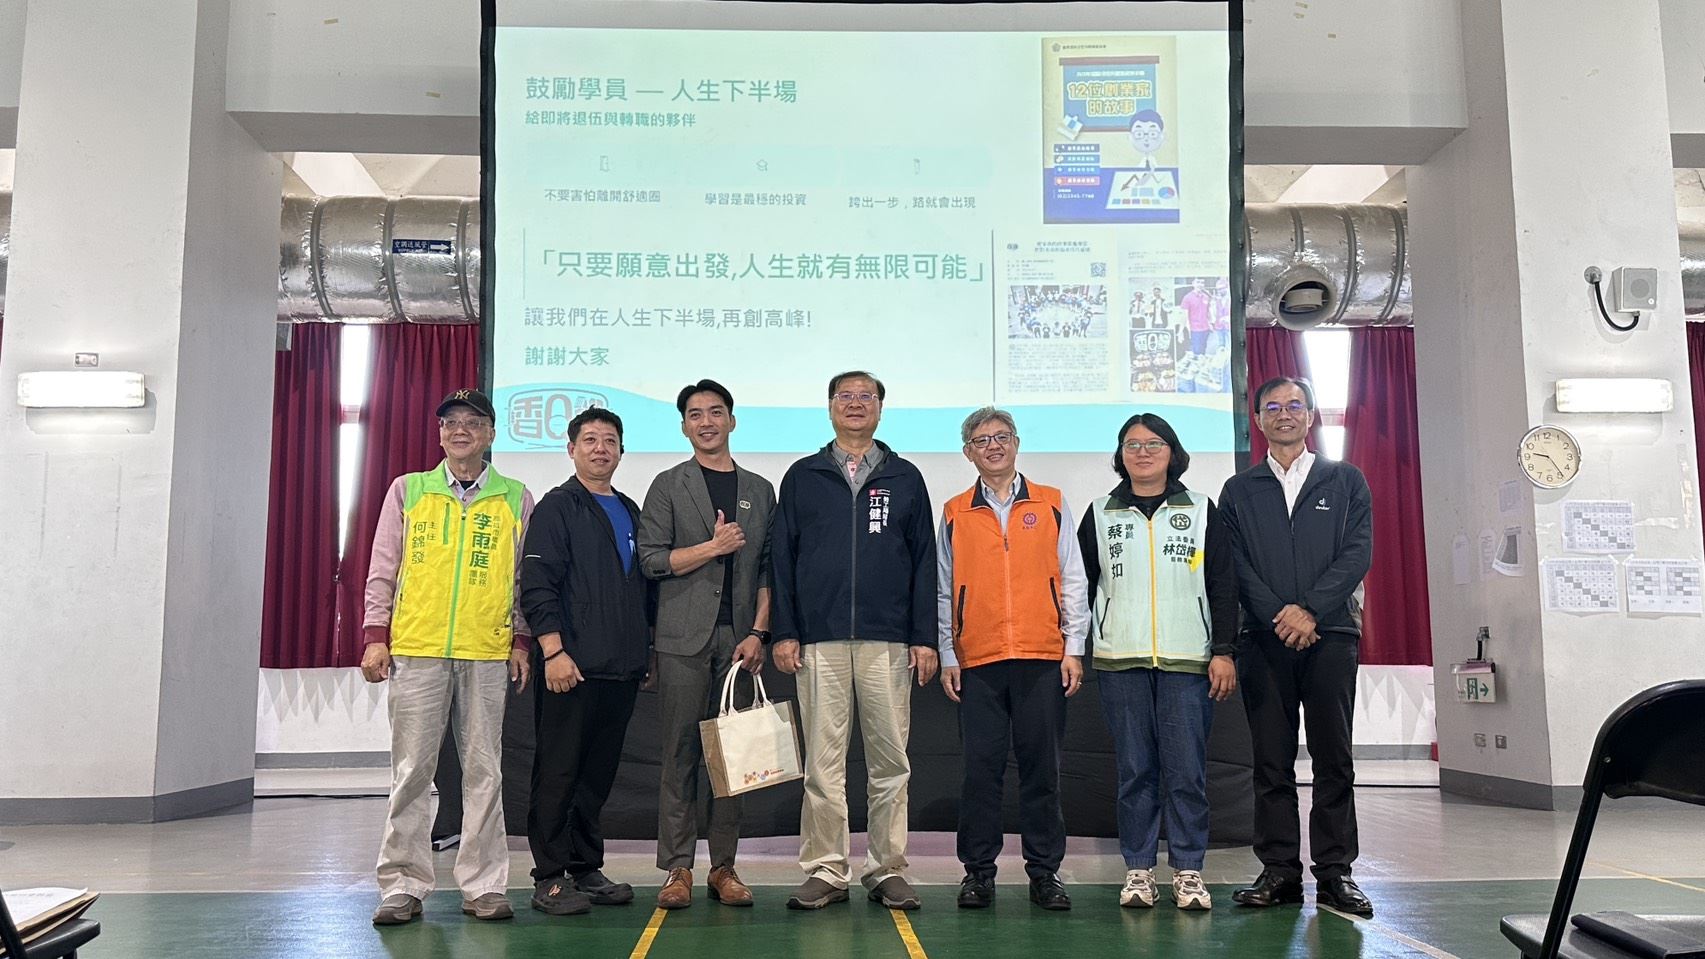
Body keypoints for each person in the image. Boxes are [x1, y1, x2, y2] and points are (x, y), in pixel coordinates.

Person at [362, 388, 533, 926]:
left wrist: (520, 640)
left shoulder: (515, 497)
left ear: (491, 434)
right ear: (439, 434)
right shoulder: (408, 490)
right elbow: (383, 566)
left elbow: (522, 580)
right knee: (412, 770)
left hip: (486, 651)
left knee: (484, 771)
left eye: (474, 422)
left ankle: (483, 885)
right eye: (451, 422)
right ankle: (402, 885)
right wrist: (375, 634)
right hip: (417, 649)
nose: (461, 430)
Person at [770, 370, 939, 911]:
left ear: (881, 409)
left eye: (867, 396)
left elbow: (924, 562)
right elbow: (782, 560)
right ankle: (826, 869)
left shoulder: (905, 477)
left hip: (887, 640)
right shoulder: (803, 476)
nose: (856, 403)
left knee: (891, 762)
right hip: (818, 641)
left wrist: (924, 638)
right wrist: (786, 631)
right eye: (846, 395)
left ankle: (887, 868)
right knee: (823, 764)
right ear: (830, 407)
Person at [1219, 377, 1375, 918]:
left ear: (1310, 416)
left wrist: (1309, 609)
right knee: (1271, 761)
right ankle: (1280, 870)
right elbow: (1235, 564)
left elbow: (1357, 553)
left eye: (1294, 405)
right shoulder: (1239, 490)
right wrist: (1278, 615)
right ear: (1257, 419)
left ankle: (1335, 873)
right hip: (1264, 641)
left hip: (1331, 636)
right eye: (1272, 407)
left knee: (1334, 758)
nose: (1284, 414)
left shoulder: (1345, 480)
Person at [1078, 413, 1239, 911]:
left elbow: (1222, 585)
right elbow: (1080, 587)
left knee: (1186, 772)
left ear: (1172, 452)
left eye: (1153, 444)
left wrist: (1224, 651)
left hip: (1187, 661)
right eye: (1132, 445)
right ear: (1120, 455)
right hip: (1120, 661)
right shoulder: (1099, 514)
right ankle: (1139, 869)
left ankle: (1188, 870)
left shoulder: (1202, 510)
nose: (1143, 453)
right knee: (1135, 771)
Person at [936, 407, 1088, 911]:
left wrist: (1073, 647)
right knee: (980, 773)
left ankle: (1045, 873)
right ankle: (978, 873)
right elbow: (943, 588)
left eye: (1001, 437)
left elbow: (1072, 578)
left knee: (1042, 771)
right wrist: (948, 652)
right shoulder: (955, 511)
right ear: (968, 453)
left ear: (1017, 443)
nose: (993, 446)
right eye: (981, 440)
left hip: (1042, 656)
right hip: (977, 659)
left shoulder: (1051, 503)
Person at [638, 379, 776, 910]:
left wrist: (758, 632)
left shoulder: (759, 489)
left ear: (732, 421)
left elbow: (768, 570)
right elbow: (651, 560)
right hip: (681, 639)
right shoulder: (668, 484)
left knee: (731, 759)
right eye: (695, 414)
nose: (706, 422)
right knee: (679, 755)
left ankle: (724, 867)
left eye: (716, 412)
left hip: (739, 642)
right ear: (684, 426)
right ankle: (677, 868)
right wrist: (711, 548)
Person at [521, 407, 656, 917]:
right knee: (558, 772)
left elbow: (641, 589)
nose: (601, 448)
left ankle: (584, 867)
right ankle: (549, 876)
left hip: (620, 668)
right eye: (591, 440)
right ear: (571, 449)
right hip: (570, 667)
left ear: (621, 451)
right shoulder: (558, 507)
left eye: (610, 441)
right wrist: (553, 650)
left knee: (595, 777)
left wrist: (645, 650)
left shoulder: (630, 509)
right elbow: (537, 584)